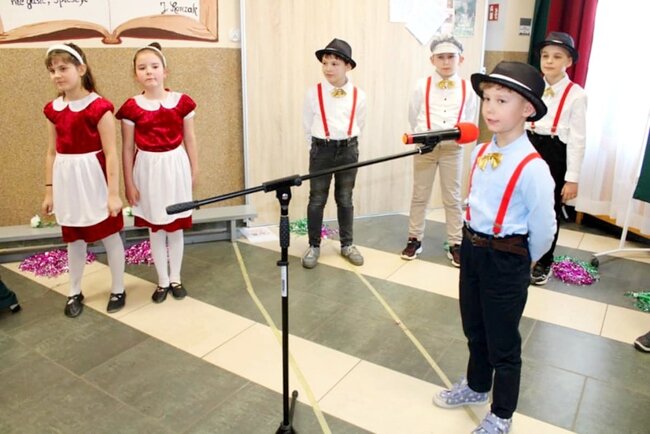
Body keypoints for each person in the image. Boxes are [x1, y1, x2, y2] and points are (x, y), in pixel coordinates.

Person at [432, 62, 556, 434]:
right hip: (472, 249)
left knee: (503, 342)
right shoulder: (482, 151)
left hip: (507, 258)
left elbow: (544, 228)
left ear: (527, 109)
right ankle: (476, 385)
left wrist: (524, 261)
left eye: (502, 101)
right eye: (487, 99)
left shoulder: (533, 167)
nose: (490, 108)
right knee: (475, 327)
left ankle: (502, 414)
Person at [42, 43, 126, 318]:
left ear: (81, 69)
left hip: (94, 180)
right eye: (52, 70)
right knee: (75, 239)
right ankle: (74, 290)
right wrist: (49, 191)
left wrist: (113, 194)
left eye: (63, 68)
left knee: (109, 236)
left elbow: (111, 153)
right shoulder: (53, 110)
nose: (57, 75)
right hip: (67, 182)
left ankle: (118, 288)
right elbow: (51, 152)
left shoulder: (98, 107)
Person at [117, 43, 198, 303]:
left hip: (175, 167)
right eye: (142, 68)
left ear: (165, 71)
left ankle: (176, 278)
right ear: (135, 74)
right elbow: (127, 148)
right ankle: (162, 280)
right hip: (147, 170)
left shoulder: (181, 102)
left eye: (154, 66)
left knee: (175, 227)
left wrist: (194, 170)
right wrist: (129, 183)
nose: (149, 72)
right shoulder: (132, 107)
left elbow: (190, 139)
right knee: (156, 227)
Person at [401, 34, 478, 266]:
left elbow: (469, 118)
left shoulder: (467, 88)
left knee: (452, 197)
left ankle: (456, 243)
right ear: (432, 60)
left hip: (453, 148)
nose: (446, 62)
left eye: (450, 57)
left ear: (460, 59)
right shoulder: (421, 85)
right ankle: (414, 238)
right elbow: (413, 114)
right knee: (420, 195)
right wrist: (425, 136)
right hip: (426, 147)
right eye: (440, 57)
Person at [526, 32, 587, 285]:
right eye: (545, 56)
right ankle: (520, 253)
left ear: (569, 62)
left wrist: (572, 178)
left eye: (557, 57)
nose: (549, 61)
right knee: (523, 203)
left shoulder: (577, 94)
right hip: (528, 145)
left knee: (548, 209)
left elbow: (578, 139)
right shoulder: (532, 86)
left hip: (555, 152)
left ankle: (544, 259)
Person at [301, 38, 366, 269]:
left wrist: (347, 142)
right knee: (317, 199)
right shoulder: (313, 93)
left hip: (348, 149)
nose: (328, 68)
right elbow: (307, 125)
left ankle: (347, 244)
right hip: (322, 149)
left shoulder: (359, 95)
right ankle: (314, 245)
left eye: (334, 64)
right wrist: (318, 148)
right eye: (325, 63)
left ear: (348, 66)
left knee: (345, 198)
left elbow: (360, 123)